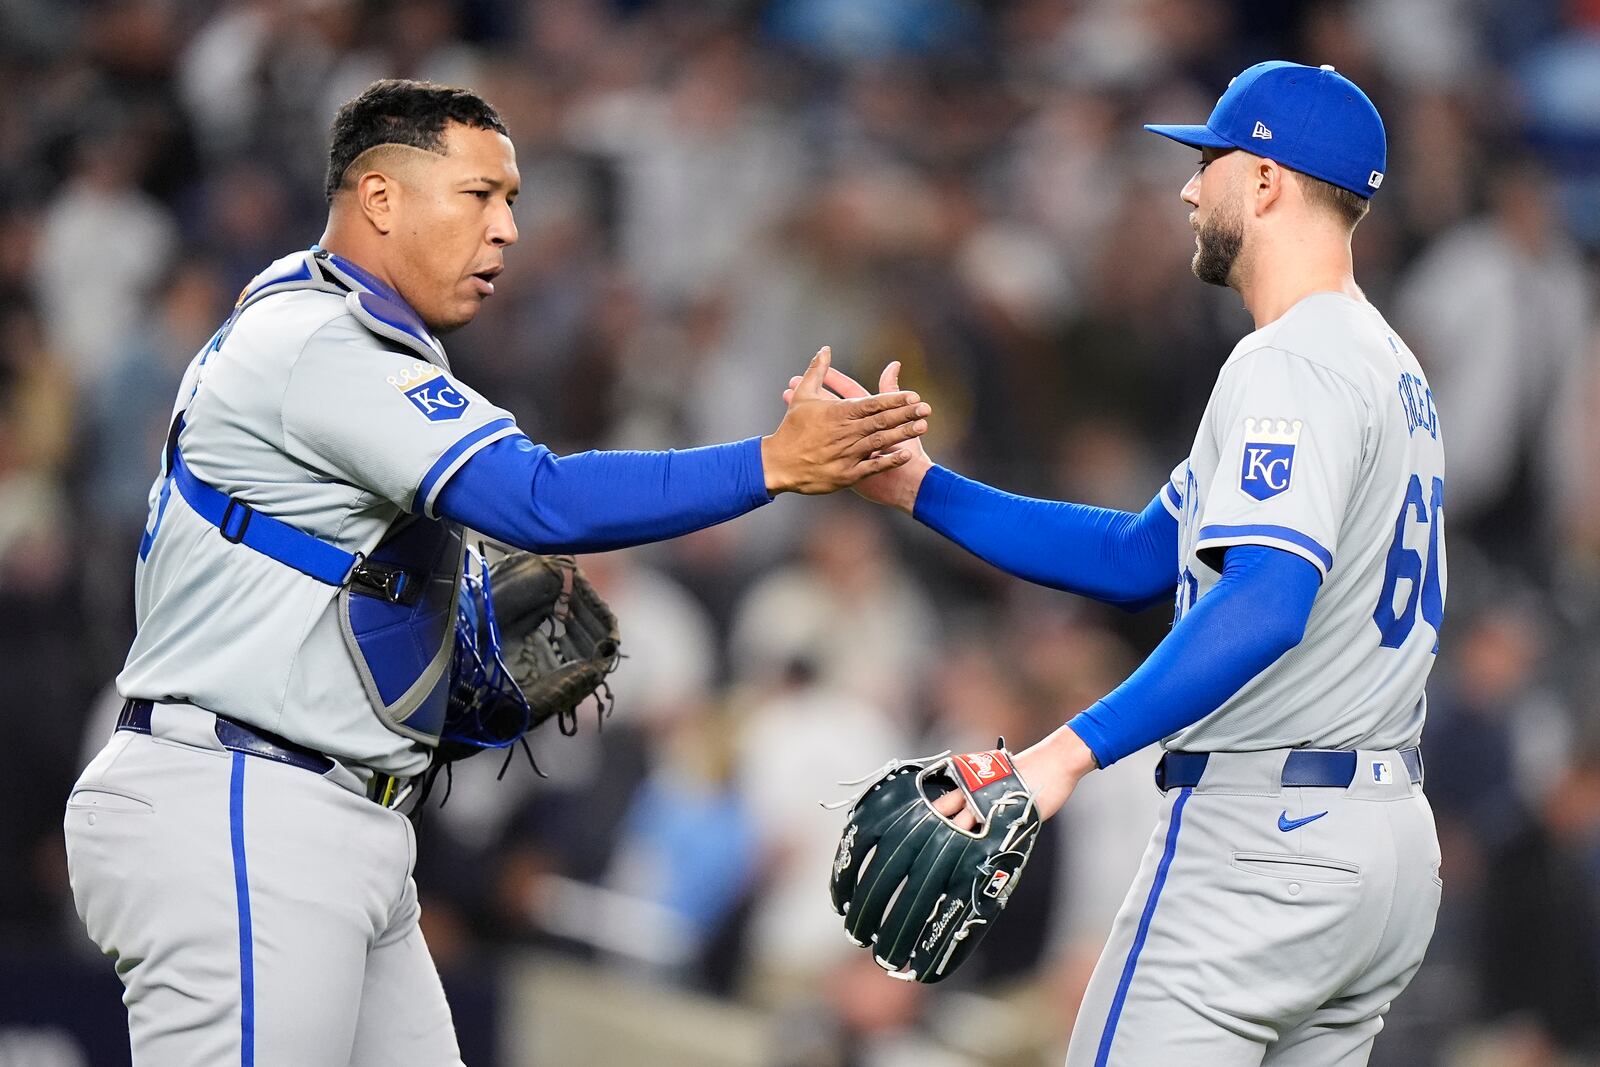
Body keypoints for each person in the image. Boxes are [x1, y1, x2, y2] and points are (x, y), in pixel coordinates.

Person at [62, 78, 931, 1065]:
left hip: (323, 808)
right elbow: (543, 500)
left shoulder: (348, 340)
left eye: (512, 199)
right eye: (480, 195)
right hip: (239, 803)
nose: (509, 228)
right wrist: (770, 462)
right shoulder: (319, 341)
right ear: (381, 198)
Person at [798, 62, 1445, 1065]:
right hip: (1379, 843)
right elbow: (1143, 553)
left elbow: (1269, 598)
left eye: (1210, 160)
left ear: (1266, 181)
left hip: (1264, 834)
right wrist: (921, 487)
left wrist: (1060, 753)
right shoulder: (1384, 363)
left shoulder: (1290, 361)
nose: (1189, 189)